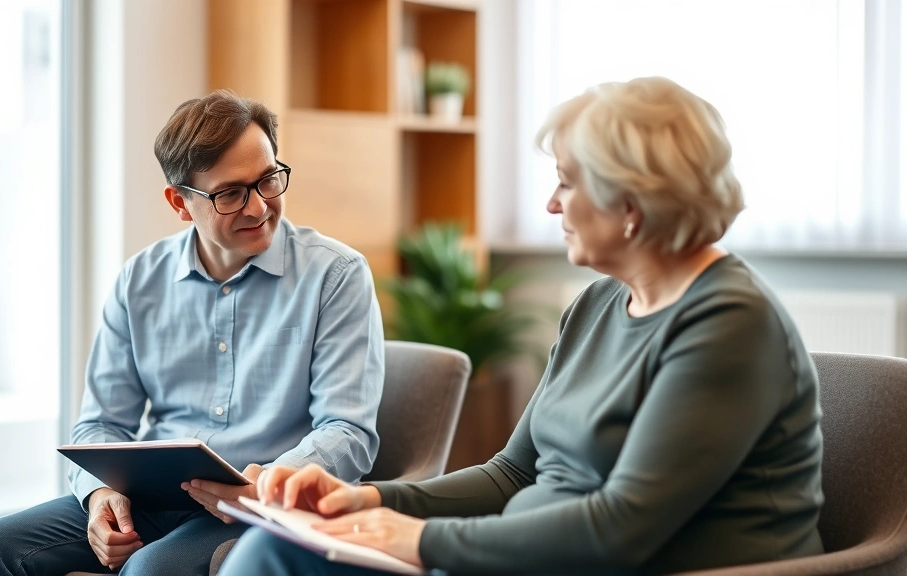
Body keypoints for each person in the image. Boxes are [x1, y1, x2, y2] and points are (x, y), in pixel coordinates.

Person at [217, 76, 825, 575]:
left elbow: (620, 529)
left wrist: (416, 541)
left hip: (633, 564)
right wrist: (371, 499)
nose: (552, 205)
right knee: (275, 551)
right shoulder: (598, 305)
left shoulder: (729, 324)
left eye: (566, 180)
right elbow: (512, 473)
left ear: (630, 205)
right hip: (536, 553)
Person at [0, 90, 385, 575]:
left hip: (256, 505)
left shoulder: (336, 275)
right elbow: (98, 426)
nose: (259, 206)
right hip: (149, 500)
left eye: (268, 180)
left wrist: (267, 486)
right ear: (180, 203)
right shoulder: (139, 281)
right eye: (230, 194)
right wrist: (100, 496)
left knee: (151, 571)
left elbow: (348, 432)